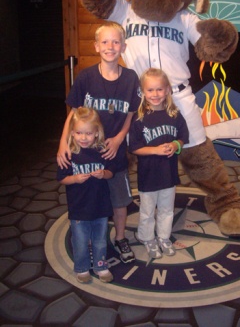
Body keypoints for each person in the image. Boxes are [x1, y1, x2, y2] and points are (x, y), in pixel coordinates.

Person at [57, 21, 141, 263]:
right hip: (87, 152)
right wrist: (63, 142)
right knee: (89, 197)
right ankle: (91, 238)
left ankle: (121, 237)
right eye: (105, 42)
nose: (110, 46)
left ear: (123, 46)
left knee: (119, 200)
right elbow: (73, 113)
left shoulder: (131, 78)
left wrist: (118, 139)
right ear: (96, 46)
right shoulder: (86, 77)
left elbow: (130, 114)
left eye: (116, 42)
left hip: (114, 153)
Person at [129, 68, 189, 259]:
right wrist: (154, 150)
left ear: (167, 90)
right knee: (147, 210)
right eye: (150, 90)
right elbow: (134, 147)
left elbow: (183, 138)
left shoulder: (174, 114)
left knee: (166, 208)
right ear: (143, 92)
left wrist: (175, 145)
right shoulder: (139, 118)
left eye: (159, 90)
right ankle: (146, 237)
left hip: (168, 174)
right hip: (148, 174)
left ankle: (163, 236)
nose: (155, 94)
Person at [57, 107, 115, 284]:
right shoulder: (69, 154)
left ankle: (100, 265)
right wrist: (74, 179)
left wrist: (103, 173)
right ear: (72, 133)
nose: (83, 138)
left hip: (100, 205)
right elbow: (61, 179)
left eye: (88, 133)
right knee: (81, 241)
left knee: (100, 239)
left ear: (97, 133)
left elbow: (112, 172)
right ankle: (81, 267)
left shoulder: (102, 150)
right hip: (79, 206)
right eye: (79, 133)